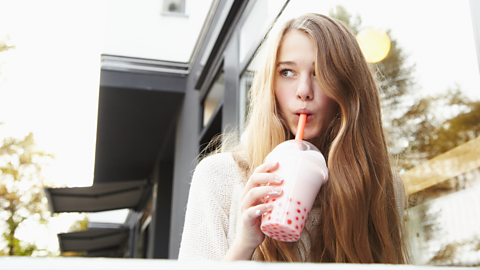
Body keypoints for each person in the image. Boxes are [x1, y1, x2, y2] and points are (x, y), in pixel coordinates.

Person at [178, 13, 410, 263]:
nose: (303, 91)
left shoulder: (381, 187)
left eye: (321, 73)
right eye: (287, 72)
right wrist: (244, 245)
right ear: (271, 84)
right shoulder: (220, 177)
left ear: (347, 89)